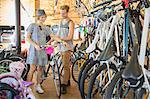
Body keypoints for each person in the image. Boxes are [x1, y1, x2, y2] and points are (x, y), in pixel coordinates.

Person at [26, 9, 61, 94]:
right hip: (34, 50)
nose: (43, 19)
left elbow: (53, 36)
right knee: (32, 68)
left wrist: (61, 41)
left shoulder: (46, 28)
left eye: (44, 17)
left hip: (43, 50)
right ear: (38, 17)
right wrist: (35, 45)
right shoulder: (32, 26)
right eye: (41, 17)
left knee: (40, 68)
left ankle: (38, 85)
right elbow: (28, 38)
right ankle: (26, 87)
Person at [57, 5, 74, 94]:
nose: (62, 15)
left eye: (64, 13)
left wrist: (61, 40)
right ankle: (67, 81)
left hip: (67, 47)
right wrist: (53, 40)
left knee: (65, 66)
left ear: (67, 12)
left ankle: (64, 85)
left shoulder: (70, 22)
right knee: (65, 64)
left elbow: (70, 36)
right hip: (61, 46)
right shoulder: (60, 22)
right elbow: (58, 34)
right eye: (61, 13)